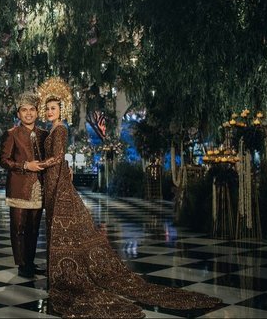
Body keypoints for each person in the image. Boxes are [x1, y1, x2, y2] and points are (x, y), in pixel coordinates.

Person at [37, 77, 221, 318]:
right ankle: (57, 272)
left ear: (62, 109)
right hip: (53, 179)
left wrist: (37, 165)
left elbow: (58, 157)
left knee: (60, 226)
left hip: (56, 179)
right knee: (55, 225)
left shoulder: (60, 129)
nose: (50, 112)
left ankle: (63, 274)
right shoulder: (53, 128)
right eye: (48, 108)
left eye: (54, 108)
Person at [0, 92, 48, 278]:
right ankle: (22, 265)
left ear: (37, 112)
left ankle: (30, 261)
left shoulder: (44, 135)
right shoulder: (12, 134)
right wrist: (25, 165)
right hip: (19, 187)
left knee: (34, 229)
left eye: (32, 110)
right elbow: (4, 161)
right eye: (24, 110)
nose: (28, 113)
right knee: (18, 227)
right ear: (18, 114)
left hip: (38, 187)